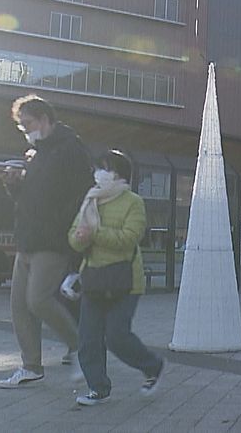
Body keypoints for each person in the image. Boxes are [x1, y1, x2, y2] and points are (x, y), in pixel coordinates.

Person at [0, 95, 93, 389]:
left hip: (52, 242)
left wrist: (68, 233)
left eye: (28, 124)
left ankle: (80, 347)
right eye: (22, 126)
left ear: (44, 118)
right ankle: (31, 366)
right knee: (19, 306)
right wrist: (14, 184)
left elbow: (82, 194)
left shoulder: (70, 148)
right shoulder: (36, 154)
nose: (26, 130)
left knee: (37, 299)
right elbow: (30, 198)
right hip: (27, 239)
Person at [68, 150, 165, 406]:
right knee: (88, 338)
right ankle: (97, 387)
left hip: (124, 281)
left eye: (105, 168)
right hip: (94, 279)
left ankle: (152, 366)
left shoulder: (133, 201)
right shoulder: (91, 199)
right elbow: (74, 235)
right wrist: (79, 238)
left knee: (116, 336)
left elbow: (128, 238)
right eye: (97, 168)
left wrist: (95, 233)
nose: (99, 173)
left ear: (118, 174)